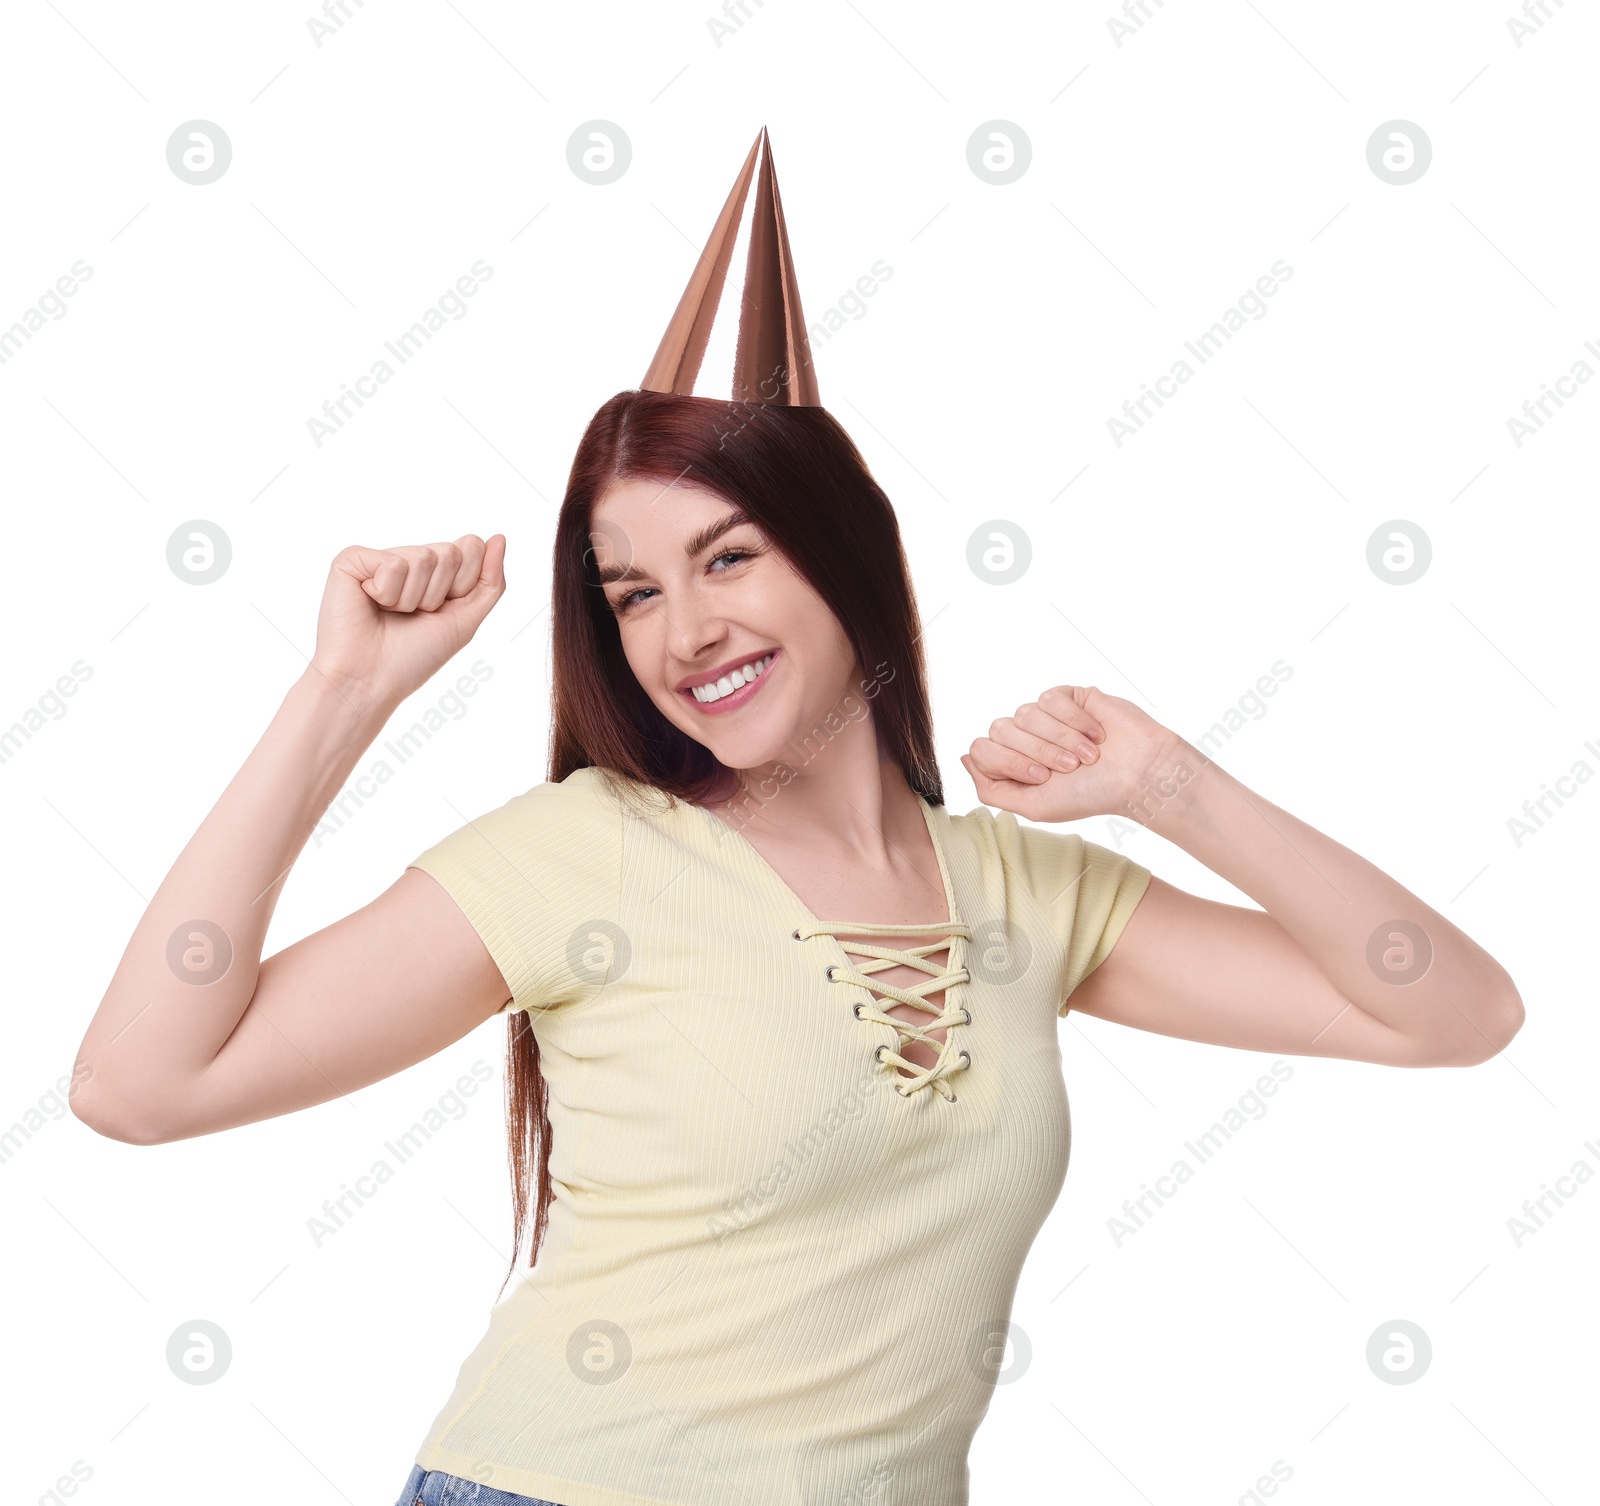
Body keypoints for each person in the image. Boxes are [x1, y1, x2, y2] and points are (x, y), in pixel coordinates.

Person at [70, 131, 1524, 1506]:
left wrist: (1170, 787)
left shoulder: (1031, 898)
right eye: (633, 590)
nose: (684, 629)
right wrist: (341, 695)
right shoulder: (586, 851)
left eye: (729, 557)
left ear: (841, 556)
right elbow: (139, 1086)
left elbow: (1450, 1011)